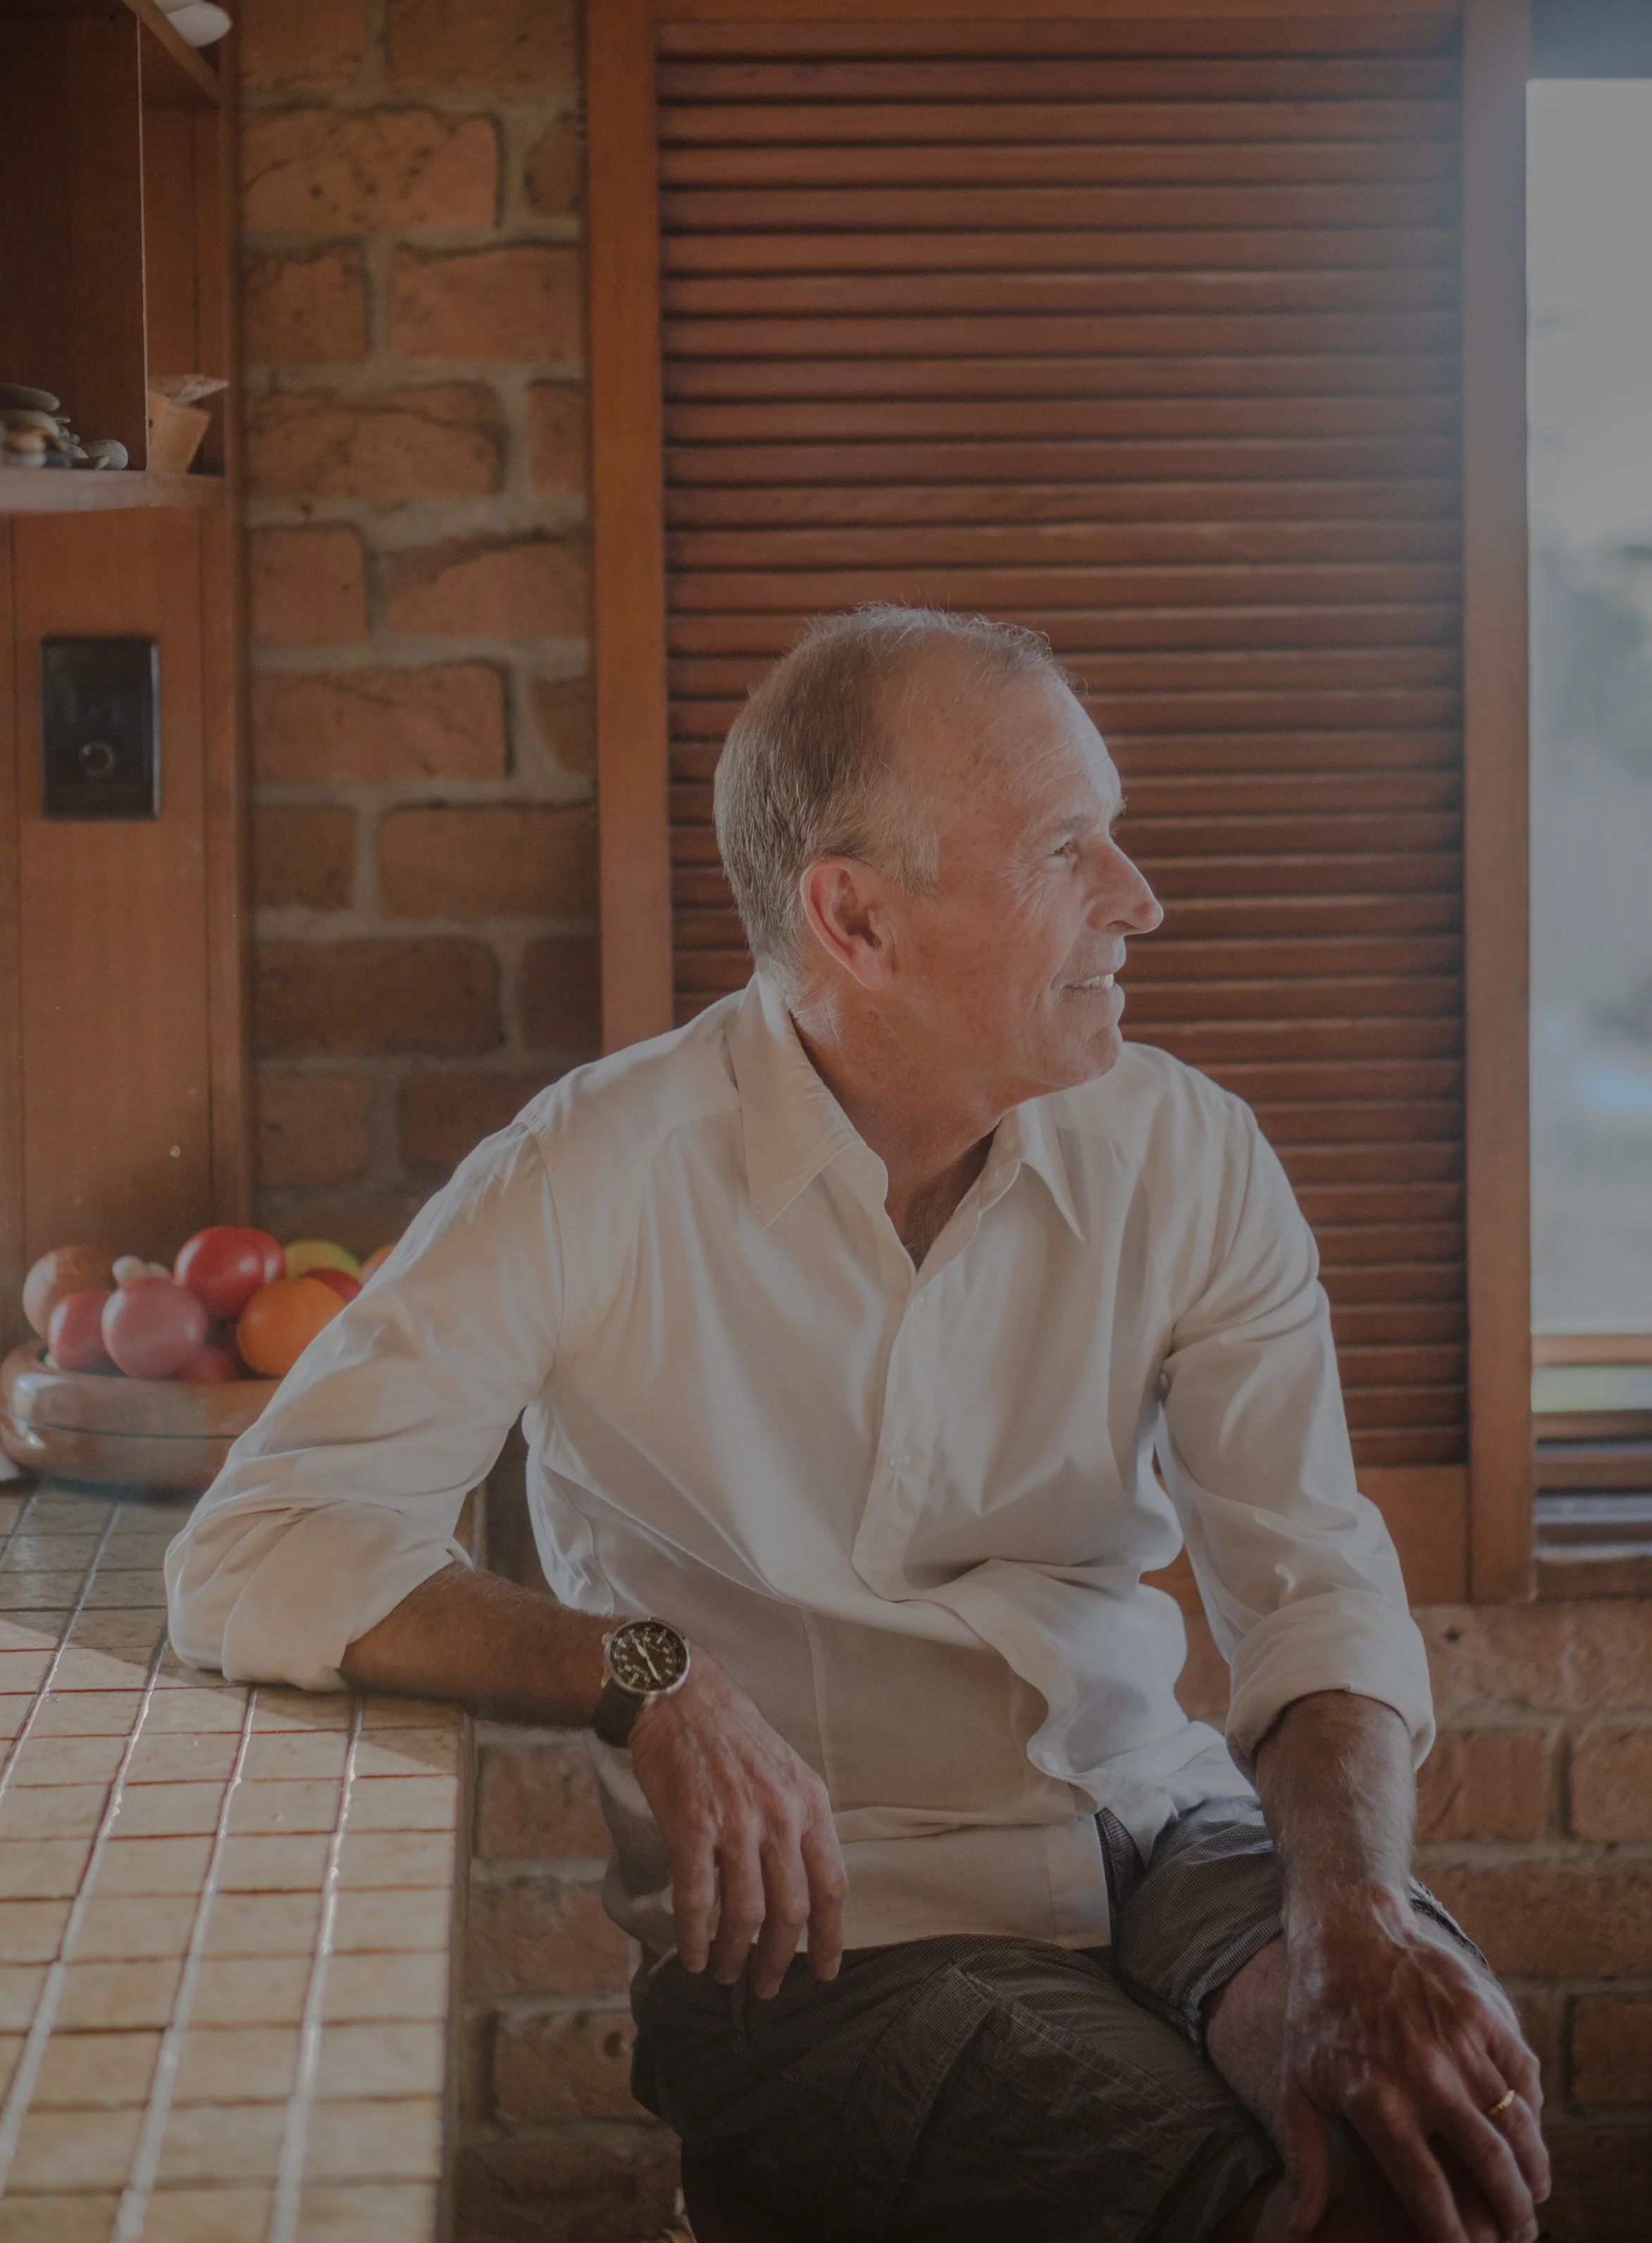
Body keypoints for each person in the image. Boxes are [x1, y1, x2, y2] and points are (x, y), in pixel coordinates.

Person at [168, 607, 1548, 2243]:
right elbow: (257, 1549)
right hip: (829, 1939)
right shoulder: (592, 1172)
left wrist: (1352, 1916)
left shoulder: (1190, 1157)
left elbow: (1310, 1592)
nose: (1138, 899)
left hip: (1167, 1830)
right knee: (1282, 2211)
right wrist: (640, 1677)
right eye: (1064, 849)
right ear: (857, 919)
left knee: (1421, 2161)